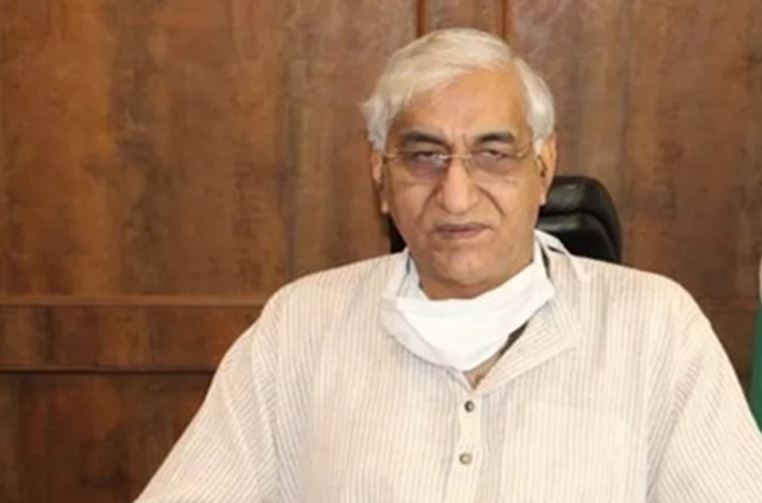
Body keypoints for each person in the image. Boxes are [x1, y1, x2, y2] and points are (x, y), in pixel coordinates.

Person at [135, 28, 762, 502]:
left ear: (543, 167)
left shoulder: (656, 328)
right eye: (424, 156)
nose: (456, 197)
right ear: (380, 175)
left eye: (493, 154)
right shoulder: (299, 326)